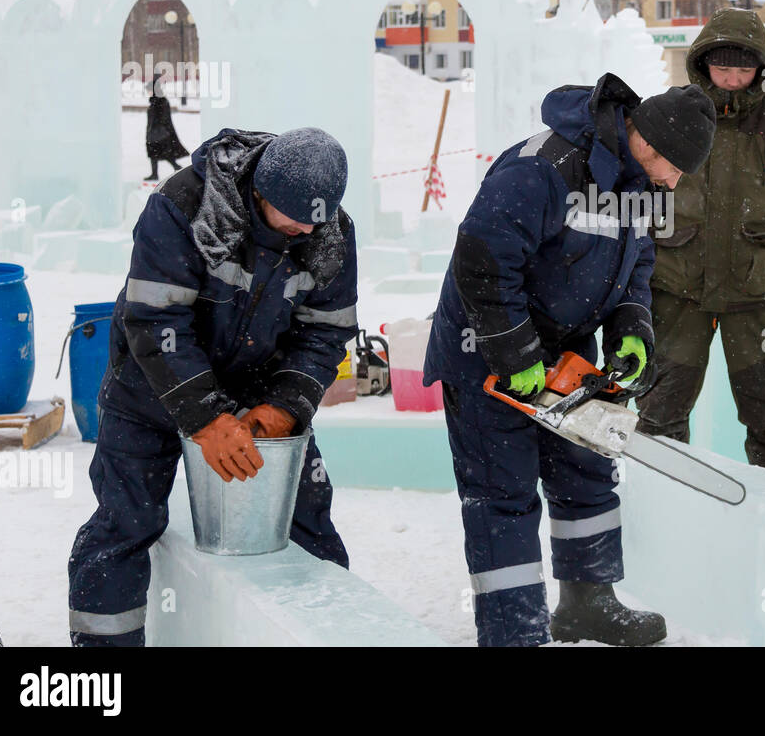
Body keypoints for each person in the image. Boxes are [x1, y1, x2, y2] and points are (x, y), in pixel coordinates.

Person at [423, 72, 716, 647]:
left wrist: (632, 328)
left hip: (566, 350)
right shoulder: (541, 168)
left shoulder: (639, 183)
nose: (677, 182)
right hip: (485, 348)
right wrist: (515, 352)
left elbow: (636, 263)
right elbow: (483, 258)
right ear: (649, 144)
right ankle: (514, 631)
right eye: (677, 168)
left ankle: (589, 602)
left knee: (586, 474)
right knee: (503, 492)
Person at [68, 127, 359, 646]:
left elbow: (326, 331)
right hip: (151, 389)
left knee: (307, 517)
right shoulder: (184, 206)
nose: (304, 233)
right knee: (126, 524)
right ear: (259, 193)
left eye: (315, 224)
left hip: (259, 390)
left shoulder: (328, 231)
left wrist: (286, 406)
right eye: (291, 221)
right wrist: (204, 415)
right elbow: (157, 320)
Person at [635, 8, 765, 484]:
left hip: (759, 298)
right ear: (701, 63)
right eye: (720, 67)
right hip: (675, 291)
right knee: (658, 415)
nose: (730, 79)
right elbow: (635, 200)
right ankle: (660, 516)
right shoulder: (671, 113)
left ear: (761, 69)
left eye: (742, 69)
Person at [144, 73, 189, 181]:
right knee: (156, 154)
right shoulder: (155, 101)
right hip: (154, 133)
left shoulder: (161, 101)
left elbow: (164, 118)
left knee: (161, 153)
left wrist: (158, 129)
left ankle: (175, 168)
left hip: (160, 134)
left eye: (149, 89)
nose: (147, 92)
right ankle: (158, 173)